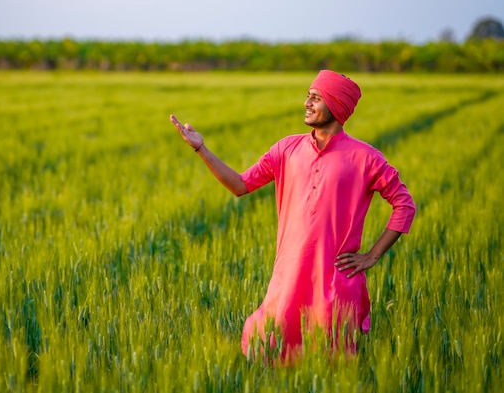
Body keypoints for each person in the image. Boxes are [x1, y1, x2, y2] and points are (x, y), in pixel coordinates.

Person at [170, 70, 416, 363]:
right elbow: (240, 185)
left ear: (336, 106)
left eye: (316, 98)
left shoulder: (366, 158)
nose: (306, 103)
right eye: (308, 96)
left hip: (336, 282)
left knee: (332, 363)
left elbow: (405, 204)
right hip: (288, 277)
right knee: (272, 353)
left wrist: (372, 256)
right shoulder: (287, 148)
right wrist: (201, 148)